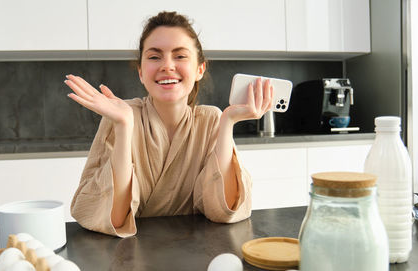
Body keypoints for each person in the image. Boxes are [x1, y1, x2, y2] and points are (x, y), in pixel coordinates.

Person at [64, 11, 273, 237]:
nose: (167, 65)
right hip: (130, 256)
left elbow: (224, 210)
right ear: (141, 72)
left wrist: (228, 121)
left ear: (199, 69)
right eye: (155, 57)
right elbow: (113, 218)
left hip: (195, 252)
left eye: (180, 56)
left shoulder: (211, 119)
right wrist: (124, 126)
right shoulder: (119, 116)